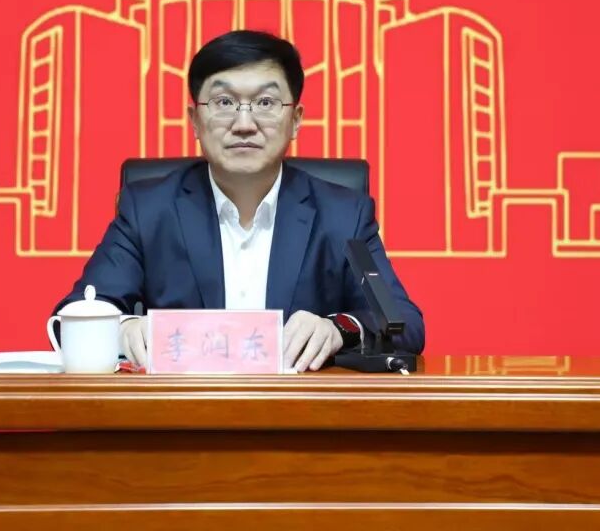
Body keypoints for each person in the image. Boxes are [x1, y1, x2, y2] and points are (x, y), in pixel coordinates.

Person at [53, 30, 424, 371]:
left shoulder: (342, 215)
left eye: (265, 102)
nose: (244, 123)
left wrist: (338, 329)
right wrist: (123, 328)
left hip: (301, 414)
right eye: (224, 102)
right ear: (195, 120)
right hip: (178, 413)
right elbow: (75, 311)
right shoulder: (148, 209)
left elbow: (404, 323)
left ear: (295, 120)